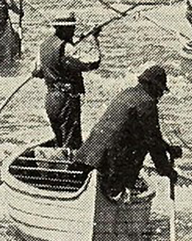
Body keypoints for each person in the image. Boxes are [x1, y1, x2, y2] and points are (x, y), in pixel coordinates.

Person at [77, 64, 182, 200]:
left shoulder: (127, 93)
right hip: (110, 164)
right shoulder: (147, 103)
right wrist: (167, 172)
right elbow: (153, 143)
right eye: (160, 90)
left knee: (135, 140)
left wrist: (168, 148)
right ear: (152, 86)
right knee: (139, 146)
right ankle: (122, 189)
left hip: (89, 156)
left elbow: (146, 133)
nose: (160, 95)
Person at [36, 12, 101, 149]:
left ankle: (60, 162)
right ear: (63, 29)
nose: (73, 31)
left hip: (51, 99)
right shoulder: (66, 48)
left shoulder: (43, 46)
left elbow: (37, 72)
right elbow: (92, 63)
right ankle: (71, 166)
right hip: (66, 99)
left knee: (60, 139)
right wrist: (94, 39)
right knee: (72, 141)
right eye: (71, 28)